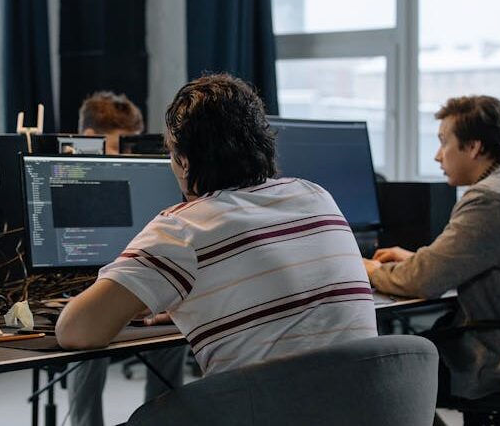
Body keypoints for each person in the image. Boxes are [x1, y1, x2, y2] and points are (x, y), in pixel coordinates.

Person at [57, 74, 377, 387]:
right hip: (365, 410)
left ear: (184, 161)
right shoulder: (316, 195)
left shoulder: (182, 229)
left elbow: (76, 331)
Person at [364, 95, 500, 405]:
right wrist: (418, 259)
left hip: (493, 359)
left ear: (474, 147)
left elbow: (422, 281)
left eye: (444, 142)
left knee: (379, 369)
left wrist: (370, 269)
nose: (437, 156)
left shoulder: (492, 200)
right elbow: (493, 256)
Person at [66, 92, 185, 426]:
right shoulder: (66, 173)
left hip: (138, 275)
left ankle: (163, 419)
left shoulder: (149, 178)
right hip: (81, 279)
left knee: (173, 329)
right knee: (90, 336)